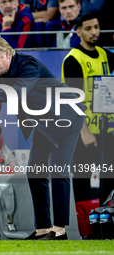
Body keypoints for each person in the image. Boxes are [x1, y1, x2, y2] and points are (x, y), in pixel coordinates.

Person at [0, 37, 85, 240]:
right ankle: (43, 229)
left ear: (7, 54)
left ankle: (59, 230)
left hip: (68, 116)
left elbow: (17, 92)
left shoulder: (29, 64)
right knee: (34, 171)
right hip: (44, 123)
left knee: (57, 170)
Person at [61, 13, 114, 205]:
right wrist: (84, 132)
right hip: (82, 133)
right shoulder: (73, 60)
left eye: (97, 27)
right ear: (79, 31)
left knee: (109, 179)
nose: (94, 32)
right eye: (89, 28)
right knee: (82, 180)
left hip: (106, 130)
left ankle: (105, 227)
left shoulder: (106, 55)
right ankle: (86, 233)